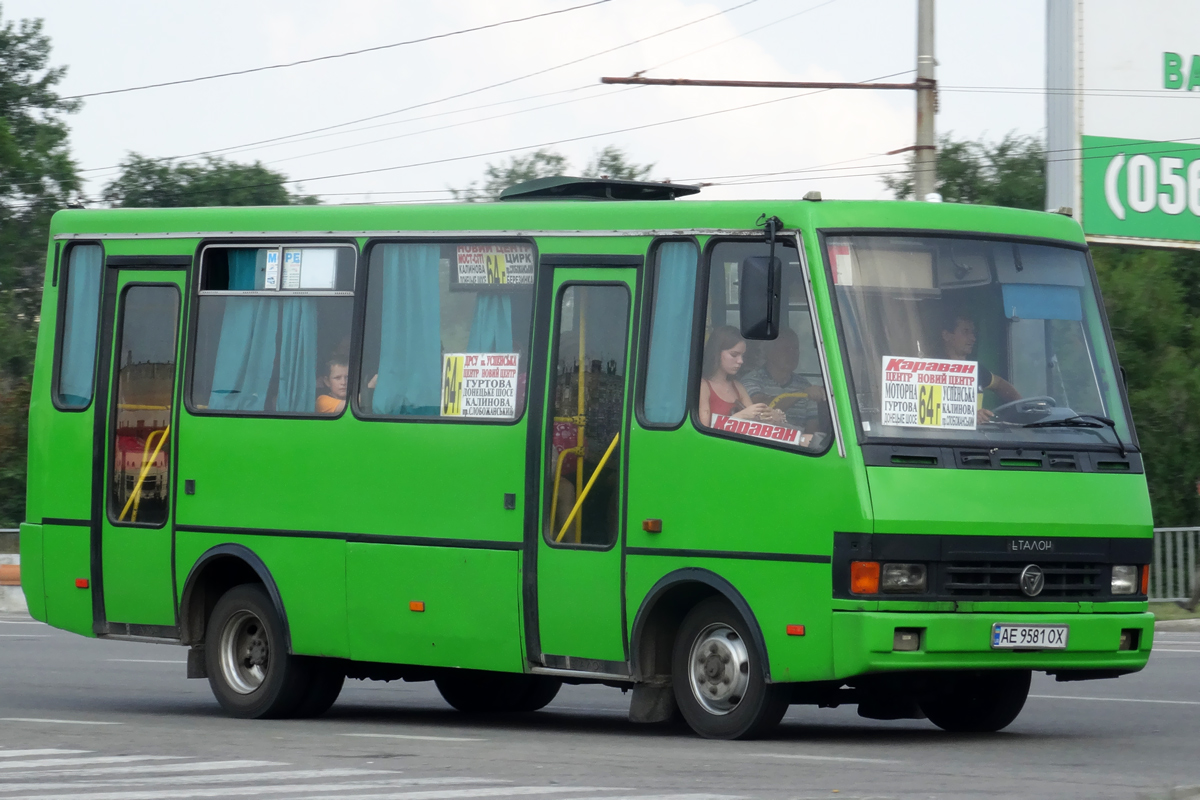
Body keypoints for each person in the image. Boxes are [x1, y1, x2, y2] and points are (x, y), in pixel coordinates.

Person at [940, 311, 1020, 424]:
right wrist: (968, 416)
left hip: (976, 439)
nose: (973, 338)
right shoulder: (932, 370)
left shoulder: (976, 370)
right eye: (965, 332)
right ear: (946, 335)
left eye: (973, 333)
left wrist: (1022, 405)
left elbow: (999, 384)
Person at [741, 326, 826, 431]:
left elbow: (812, 429)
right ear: (769, 353)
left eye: (795, 349)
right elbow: (761, 408)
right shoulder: (752, 379)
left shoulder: (804, 384)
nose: (793, 354)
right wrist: (800, 394)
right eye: (786, 349)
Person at [698, 326, 777, 428]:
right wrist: (739, 417)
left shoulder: (738, 386)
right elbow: (702, 430)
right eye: (734, 355)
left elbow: (755, 422)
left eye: (742, 356)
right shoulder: (703, 386)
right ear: (716, 353)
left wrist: (772, 417)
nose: (740, 361)